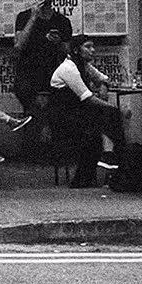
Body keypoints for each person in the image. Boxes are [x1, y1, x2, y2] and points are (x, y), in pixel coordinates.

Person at [49, 34, 127, 189]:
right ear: (77, 50)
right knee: (108, 118)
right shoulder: (68, 68)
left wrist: (103, 86)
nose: (93, 50)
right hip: (64, 118)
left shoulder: (84, 65)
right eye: (88, 47)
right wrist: (113, 107)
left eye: (93, 46)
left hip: (78, 114)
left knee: (106, 121)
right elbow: (87, 97)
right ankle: (115, 159)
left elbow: (104, 78)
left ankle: (117, 158)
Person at [14, 0, 71, 115]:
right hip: (28, 75)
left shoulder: (62, 21)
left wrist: (58, 43)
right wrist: (33, 17)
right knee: (33, 116)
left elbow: (68, 50)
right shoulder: (23, 17)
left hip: (52, 75)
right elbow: (18, 45)